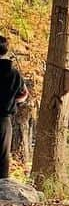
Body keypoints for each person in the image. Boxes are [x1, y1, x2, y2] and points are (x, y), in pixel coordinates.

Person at [0, 37, 29, 181]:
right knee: (3, 157)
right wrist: (11, 101)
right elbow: (23, 95)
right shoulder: (14, 74)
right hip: (4, 121)